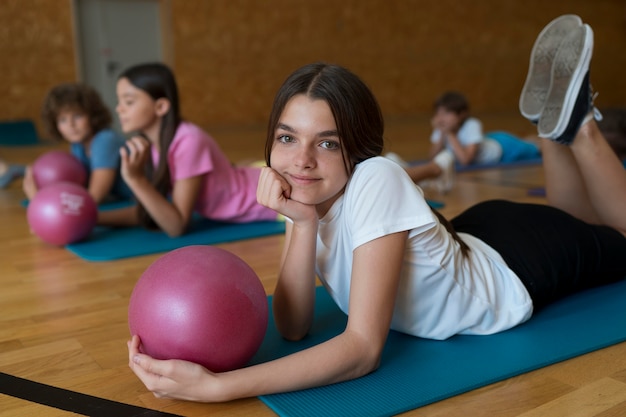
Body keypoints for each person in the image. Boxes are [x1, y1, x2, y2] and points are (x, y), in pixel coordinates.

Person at [127, 16, 626, 401]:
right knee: (580, 223)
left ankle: (577, 124)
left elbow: (363, 350)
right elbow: (294, 326)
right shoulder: (299, 192)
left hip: (514, 267)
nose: (300, 160)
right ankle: (550, 132)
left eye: (326, 144)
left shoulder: (377, 177)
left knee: (614, 237)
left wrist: (219, 386)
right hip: (470, 236)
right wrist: (301, 224)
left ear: (358, 150)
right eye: (286, 138)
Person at [98, 63, 277, 237]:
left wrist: (135, 179)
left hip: (271, 199)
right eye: (118, 101)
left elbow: (176, 226)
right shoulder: (152, 145)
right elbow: (150, 210)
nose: (118, 109)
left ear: (160, 106)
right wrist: (93, 218)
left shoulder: (189, 141)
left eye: (128, 101)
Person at [386, 91, 542, 193]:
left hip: (504, 147)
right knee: (528, 141)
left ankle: (537, 139)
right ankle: (530, 138)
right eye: (438, 114)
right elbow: (432, 156)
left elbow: (466, 160)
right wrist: (441, 135)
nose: (441, 118)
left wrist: (450, 134)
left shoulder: (472, 125)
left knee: (536, 148)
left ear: (461, 115)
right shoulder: (443, 129)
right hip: (489, 140)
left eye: (446, 113)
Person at [22, 83, 131, 203]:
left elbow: (92, 199)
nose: (71, 125)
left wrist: (37, 199)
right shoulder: (78, 145)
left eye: (77, 116)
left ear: (93, 115)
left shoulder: (105, 140)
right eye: (62, 120)